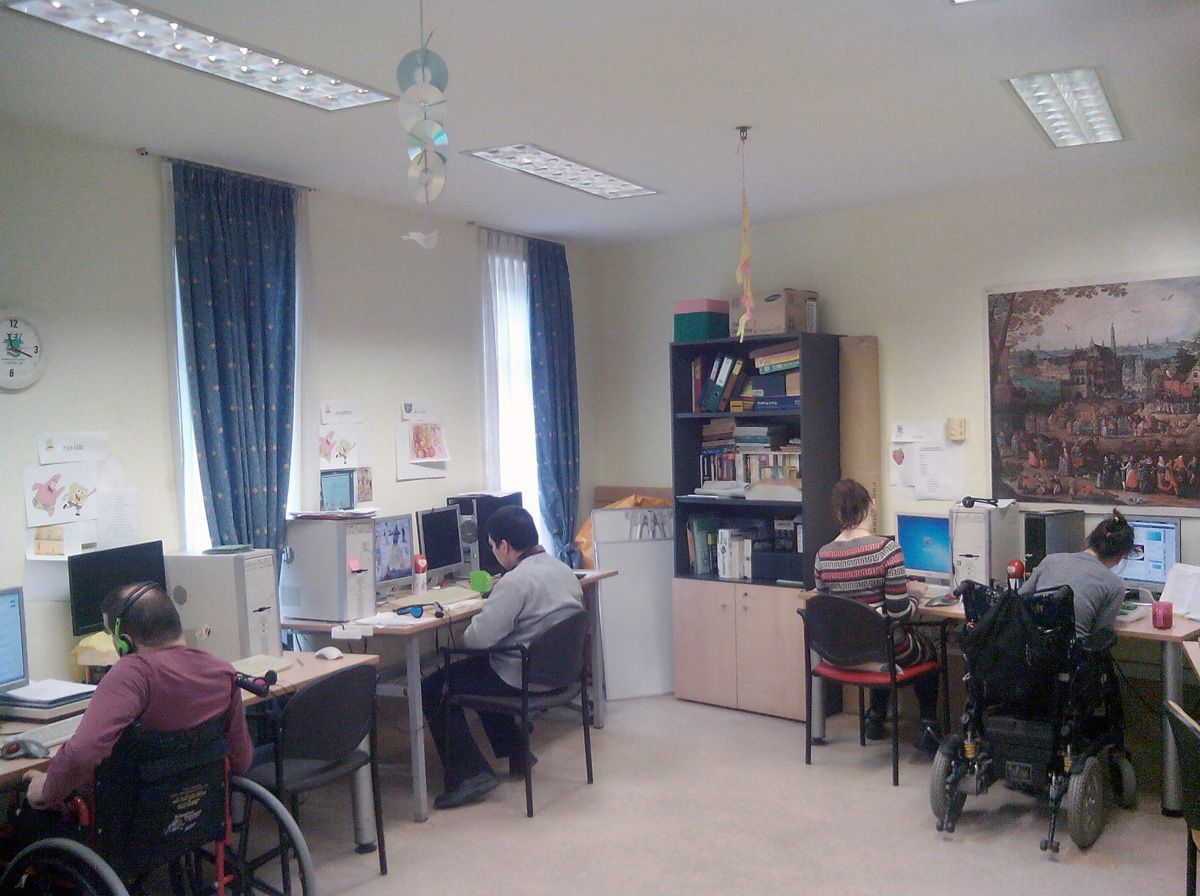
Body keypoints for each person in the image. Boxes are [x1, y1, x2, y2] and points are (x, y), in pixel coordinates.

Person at [20, 582, 253, 827]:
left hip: (130, 824)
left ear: (125, 643)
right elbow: (242, 761)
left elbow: (82, 752)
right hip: (196, 819)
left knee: (28, 814)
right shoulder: (223, 672)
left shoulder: (132, 674)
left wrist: (46, 789)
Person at [421, 506, 583, 809]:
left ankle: (469, 775)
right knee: (482, 670)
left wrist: (478, 617)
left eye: (493, 546)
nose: (494, 553)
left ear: (504, 546)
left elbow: (476, 641)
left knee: (433, 687)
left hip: (522, 676)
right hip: (560, 674)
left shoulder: (516, 582)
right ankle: (517, 751)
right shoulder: (562, 569)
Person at [813, 479, 940, 753]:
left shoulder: (822, 556)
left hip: (841, 651)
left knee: (875, 636)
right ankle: (928, 727)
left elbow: (826, 609)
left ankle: (876, 718)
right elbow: (899, 614)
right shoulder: (886, 551)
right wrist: (915, 593)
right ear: (872, 505)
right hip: (883, 650)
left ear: (838, 514)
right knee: (930, 647)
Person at [1018, 508, 1134, 638]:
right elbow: (1101, 634)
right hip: (1072, 649)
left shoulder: (1050, 561)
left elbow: (1017, 600)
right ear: (1121, 556)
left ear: (1092, 538)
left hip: (1030, 644)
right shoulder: (1115, 586)